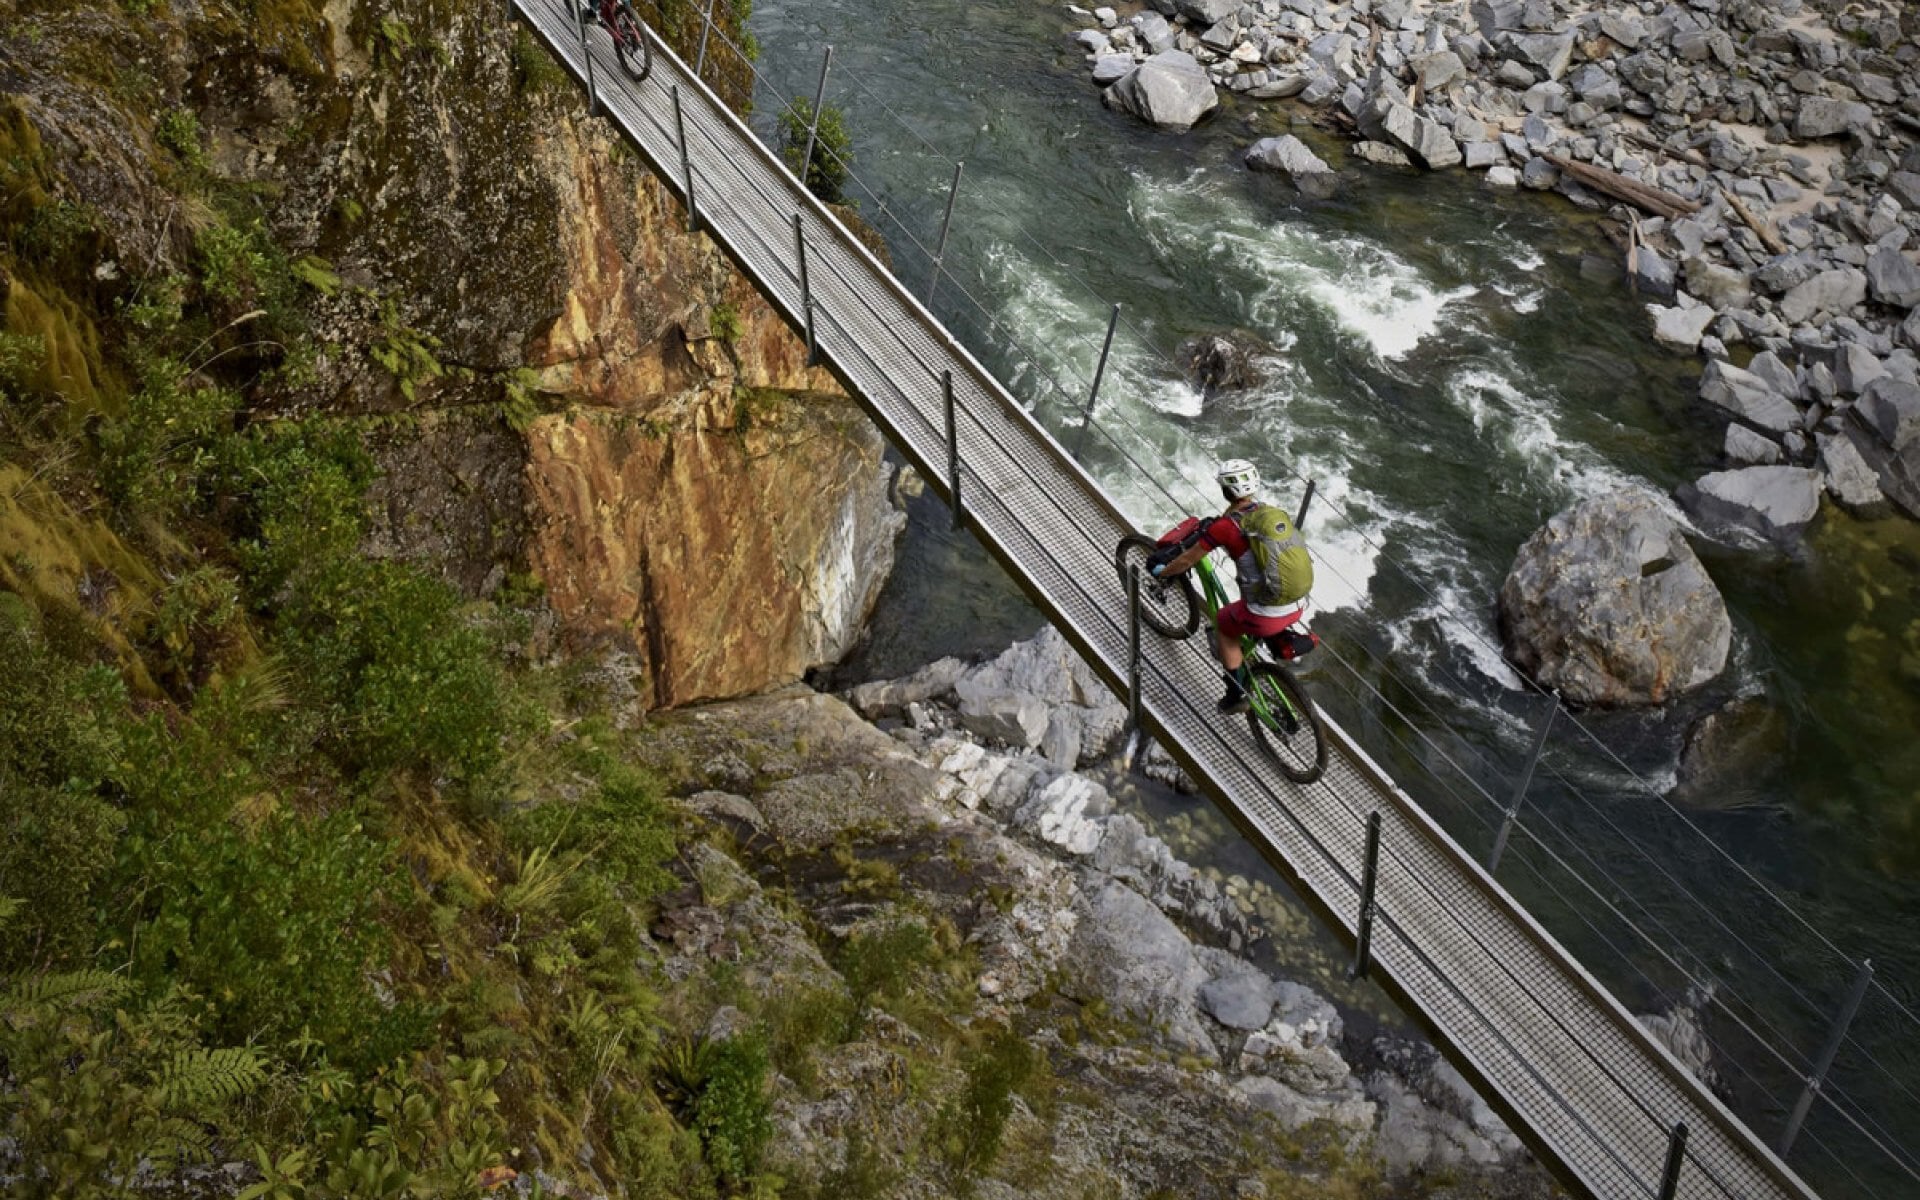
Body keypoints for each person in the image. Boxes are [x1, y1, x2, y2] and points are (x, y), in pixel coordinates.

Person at [1152, 459, 1313, 713]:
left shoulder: (1226, 527)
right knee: (1248, 615)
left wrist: (1164, 572)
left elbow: (1186, 560)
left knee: (1224, 624)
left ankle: (1236, 695)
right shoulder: (1269, 514)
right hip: (1298, 603)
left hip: (1266, 614)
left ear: (1226, 491)